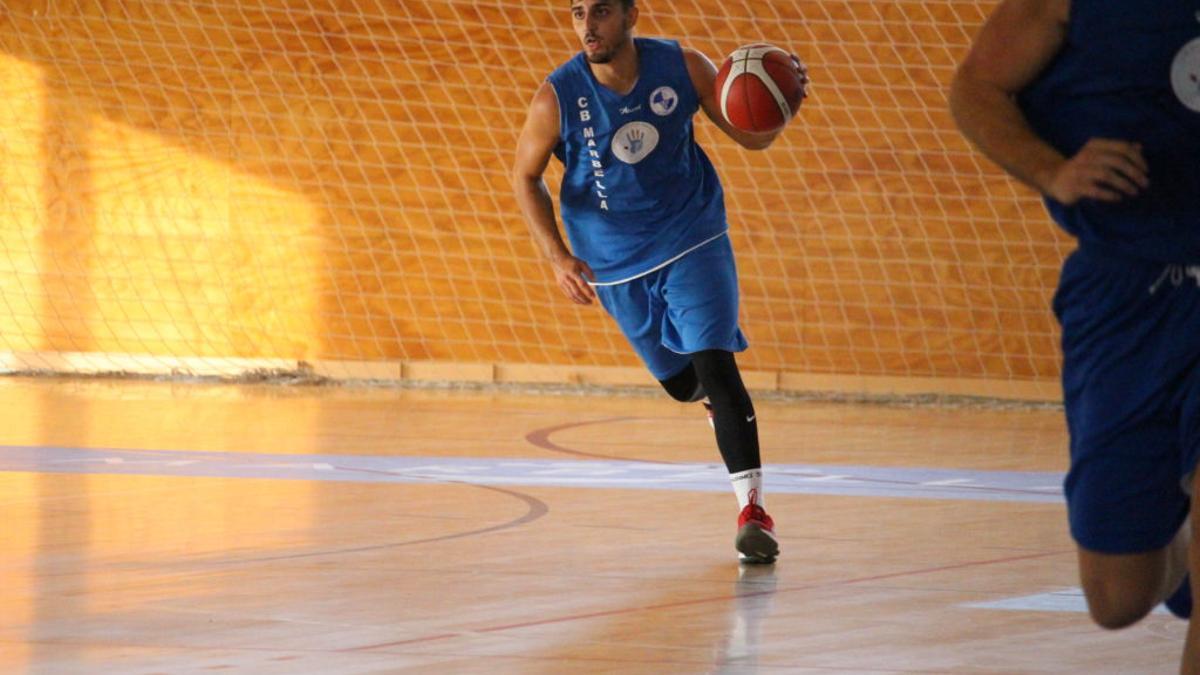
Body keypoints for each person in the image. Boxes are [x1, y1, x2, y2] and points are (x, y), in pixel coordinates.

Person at [950, 0, 1200, 669]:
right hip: (1127, 297)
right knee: (1116, 597)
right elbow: (977, 86)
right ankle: (1178, 547)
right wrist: (1050, 170)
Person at [512, 0, 807, 563]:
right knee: (683, 384)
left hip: (692, 235)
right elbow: (525, 177)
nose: (587, 26)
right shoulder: (557, 96)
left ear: (630, 15)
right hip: (616, 263)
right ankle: (713, 400)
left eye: (599, 12)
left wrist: (782, 103)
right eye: (577, 13)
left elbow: (753, 138)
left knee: (716, 364)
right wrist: (558, 257)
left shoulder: (684, 65)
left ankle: (754, 513)